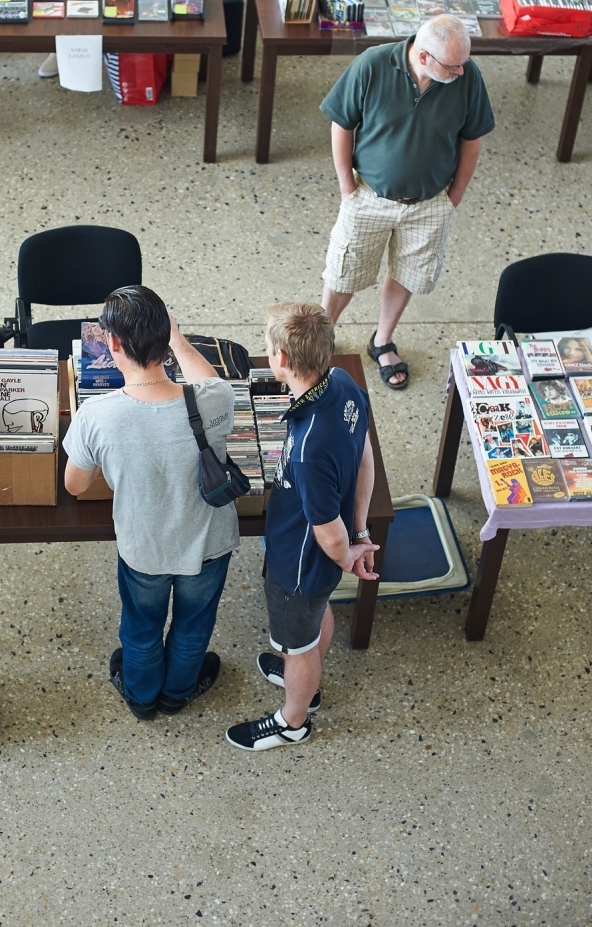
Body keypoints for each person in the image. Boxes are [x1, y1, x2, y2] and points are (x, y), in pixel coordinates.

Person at [64, 286, 238, 721]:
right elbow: (208, 378)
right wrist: (178, 339)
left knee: (141, 629)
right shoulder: (215, 400)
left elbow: (75, 487)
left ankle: (143, 699)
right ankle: (178, 693)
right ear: (165, 340)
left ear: (114, 344)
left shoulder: (97, 416)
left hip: (144, 551)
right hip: (208, 546)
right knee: (194, 626)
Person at [225, 303, 377, 751]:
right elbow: (364, 452)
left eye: (270, 349)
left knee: (299, 641)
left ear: (283, 361)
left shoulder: (310, 449)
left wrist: (346, 550)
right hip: (316, 569)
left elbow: (328, 534)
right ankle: (304, 674)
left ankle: (293, 719)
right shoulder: (344, 383)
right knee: (314, 617)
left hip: (298, 563)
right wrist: (361, 531)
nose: (269, 354)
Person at [319, 14, 495, 389]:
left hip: (430, 203)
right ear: (425, 56)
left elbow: (472, 139)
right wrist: (346, 188)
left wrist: (453, 199)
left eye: (464, 62)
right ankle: (321, 337)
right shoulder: (372, 65)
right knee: (343, 270)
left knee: (407, 272)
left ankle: (382, 340)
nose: (462, 72)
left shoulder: (466, 76)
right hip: (368, 197)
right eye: (454, 65)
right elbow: (342, 124)